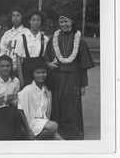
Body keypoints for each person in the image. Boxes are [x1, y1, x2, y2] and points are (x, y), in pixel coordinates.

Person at [44, 8, 94, 140]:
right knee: (57, 103)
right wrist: (49, 64)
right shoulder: (53, 39)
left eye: (66, 21)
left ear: (71, 22)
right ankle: (57, 132)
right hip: (57, 77)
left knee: (71, 105)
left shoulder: (79, 40)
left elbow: (83, 66)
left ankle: (73, 133)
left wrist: (83, 85)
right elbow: (46, 58)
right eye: (61, 21)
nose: (64, 24)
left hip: (73, 78)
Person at [0, 55, 32, 140]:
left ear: (11, 67)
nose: (5, 68)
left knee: (15, 115)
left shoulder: (15, 81)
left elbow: (16, 105)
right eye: (2, 66)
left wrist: (27, 129)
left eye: (8, 66)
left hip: (8, 112)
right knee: (4, 137)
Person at [18, 61, 63, 140]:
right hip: (32, 121)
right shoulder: (28, 89)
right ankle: (32, 138)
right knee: (54, 126)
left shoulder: (47, 89)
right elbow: (20, 110)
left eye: (43, 72)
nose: (41, 75)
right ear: (33, 74)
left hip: (43, 120)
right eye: (37, 73)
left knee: (59, 139)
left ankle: (35, 139)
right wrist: (28, 130)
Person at [15, 9, 49, 89]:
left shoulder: (45, 39)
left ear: (41, 22)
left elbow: (47, 58)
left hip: (40, 72)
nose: (36, 22)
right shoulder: (22, 38)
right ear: (29, 21)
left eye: (38, 20)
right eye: (33, 20)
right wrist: (21, 78)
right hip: (26, 71)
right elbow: (18, 59)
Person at [0, 7, 29, 76]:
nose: (15, 18)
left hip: (21, 66)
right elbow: (3, 50)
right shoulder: (7, 33)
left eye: (18, 15)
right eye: (13, 16)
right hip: (7, 66)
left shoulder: (26, 32)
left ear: (22, 17)